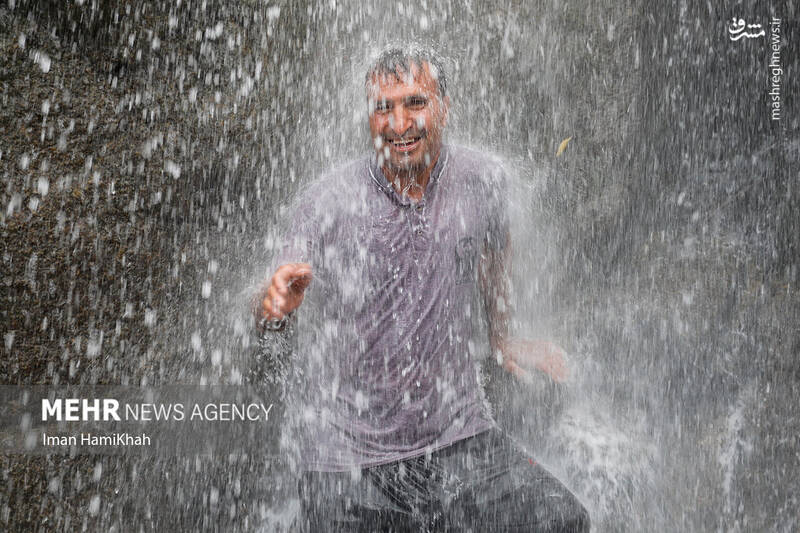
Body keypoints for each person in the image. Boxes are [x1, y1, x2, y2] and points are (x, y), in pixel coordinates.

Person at [252, 46, 590, 532]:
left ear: (444, 108)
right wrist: (272, 308)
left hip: (459, 436)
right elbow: (273, 295)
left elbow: (496, 246)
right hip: (348, 456)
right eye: (383, 108)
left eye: (414, 103)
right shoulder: (326, 203)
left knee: (565, 522)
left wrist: (501, 336)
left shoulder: (482, 181)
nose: (398, 123)